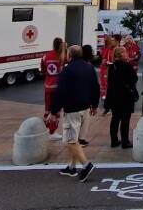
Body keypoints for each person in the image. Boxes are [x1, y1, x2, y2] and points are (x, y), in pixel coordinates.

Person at [49, 45, 99, 182]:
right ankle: (71, 167)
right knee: (75, 139)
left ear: (70, 55)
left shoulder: (67, 70)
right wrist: (95, 105)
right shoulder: (89, 67)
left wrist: (53, 111)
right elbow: (95, 86)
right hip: (86, 109)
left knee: (70, 141)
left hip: (72, 110)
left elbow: (60, 92)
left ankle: (86, 165)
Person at [104, 46, 138, 148]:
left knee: (115, 118)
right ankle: (125, 141)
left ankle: (114, 141)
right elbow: (134, 79)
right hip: (125, 96)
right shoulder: (127, 66)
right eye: (125, 52)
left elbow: (109, 83)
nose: (127, 54)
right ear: (121, 54)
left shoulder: (111, 67)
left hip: (114, 96)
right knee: (125, 119)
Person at [41, 37, 65, 140]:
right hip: (57, 88)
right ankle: (52, 132)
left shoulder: (45, 56)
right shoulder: (62, 56)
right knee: (56, 111)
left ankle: (45, 128)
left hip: (47, 87)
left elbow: (42, 69)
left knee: (47, 109)